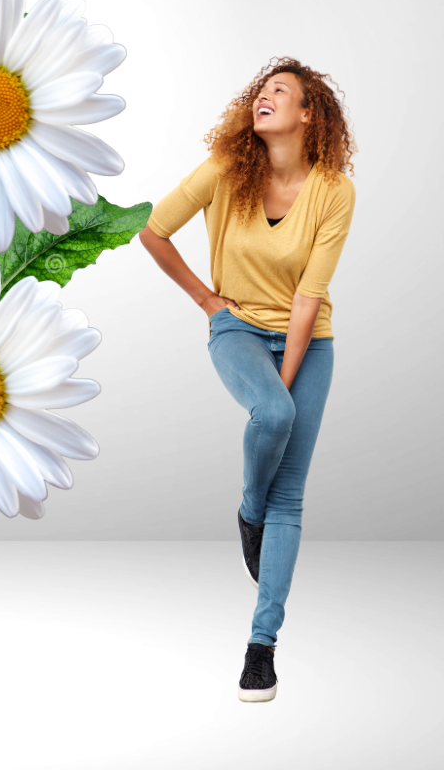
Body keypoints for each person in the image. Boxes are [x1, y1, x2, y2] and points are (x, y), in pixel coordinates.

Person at [139, 57, 356, 702]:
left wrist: (284, 383)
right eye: (260, 92)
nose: (263, 100)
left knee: (290, 496)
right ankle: (246, 509)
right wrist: (209, 302)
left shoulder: (334, 190)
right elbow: (153, 232)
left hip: (307, 339)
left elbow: (309, 297)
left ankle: (262, 648)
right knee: (275, 418)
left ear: (308, 114)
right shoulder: (225, 171)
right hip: (236, 329)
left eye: (279, 93)